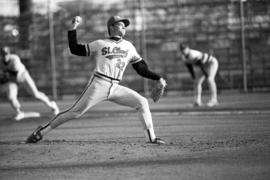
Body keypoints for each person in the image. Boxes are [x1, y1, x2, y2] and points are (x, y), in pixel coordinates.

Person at [26, 15, 167, 144]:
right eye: (120, 24)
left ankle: (151, 138)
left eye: (125, 24)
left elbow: (141, 68)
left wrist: (158, 78)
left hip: (116, 87)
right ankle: (41, 131)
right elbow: (75, 49)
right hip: (99, 84)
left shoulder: (129, 46)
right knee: (74, 112)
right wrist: (72, 29)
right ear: (111, 27)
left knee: (142, 102)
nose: (124, 26)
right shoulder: (100, 43)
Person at [0, 46, 59, 121]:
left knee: (35, 94)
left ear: (9, 54)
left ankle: (52, 105)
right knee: (11, 97)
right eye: (3, 54)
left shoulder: (14, 59)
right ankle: (19, 112)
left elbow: (15, 75)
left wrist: (4, 77)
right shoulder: (0, 62)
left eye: (6, 54)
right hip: (12, 80)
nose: (5, 56)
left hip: (23, 76)